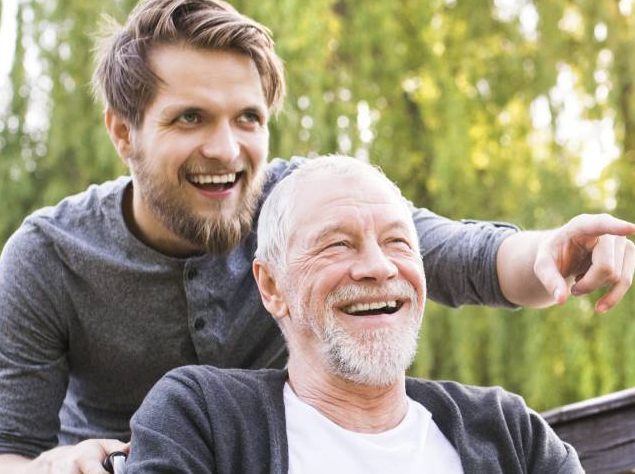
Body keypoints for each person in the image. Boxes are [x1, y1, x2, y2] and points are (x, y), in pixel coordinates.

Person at [0, 0, 632, 474]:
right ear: (122, 131)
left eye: (247, 118)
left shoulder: (300, 206)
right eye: (190, 118)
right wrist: (52, 469)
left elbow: (455, 253)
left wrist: (549, 253)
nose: (225, 148)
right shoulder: (49, 257)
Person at [125, 156, 581, 473]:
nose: (378, 267)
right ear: (271, 286)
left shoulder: (509, 433)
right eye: (337, 244)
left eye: (397, 242)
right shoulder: (200, 417)